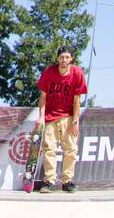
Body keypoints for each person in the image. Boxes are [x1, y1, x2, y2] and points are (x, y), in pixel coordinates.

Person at [35, 46, 87, 193]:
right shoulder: (49, 72)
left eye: (67, 57)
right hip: (50, 115)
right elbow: (43, 97)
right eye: (61, 57)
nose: (64, 60)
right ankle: (49, 180)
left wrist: (75, 122)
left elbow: (77, 100)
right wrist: (41, 116)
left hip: (68, 116)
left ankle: (67, 181)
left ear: (71, 59)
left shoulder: (77, 73)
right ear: (57, 59)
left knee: (71, 149)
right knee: (49, 148)